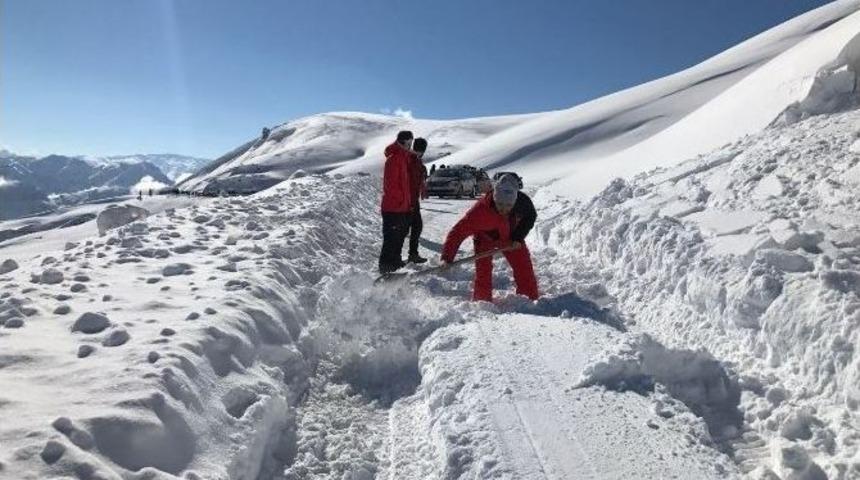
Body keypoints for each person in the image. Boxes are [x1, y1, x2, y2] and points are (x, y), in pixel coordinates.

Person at [440, 173, 539, 301]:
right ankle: (482, 301)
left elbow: (530, 216)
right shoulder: (479, 211)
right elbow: (457, 233)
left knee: (524, 267)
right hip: (485, 238)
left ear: (515, 201)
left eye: (508, 206)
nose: (504, 209)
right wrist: (447, 257)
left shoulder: (522, 202)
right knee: (483, 271)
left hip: (510, 237)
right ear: (494, 198)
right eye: (500, 204)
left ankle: (529, 299)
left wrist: (518, 237)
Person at [379, 130, 415, 273]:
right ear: (403, 142)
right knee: (391, 240)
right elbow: (391, 185)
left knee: (399, 238)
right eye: (409, 142)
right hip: (393, 208)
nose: (410, 145)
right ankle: (386, 268)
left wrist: (407, 204)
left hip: (401, 208)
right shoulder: (394, 159)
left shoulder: (404, 158)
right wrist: (400, 202)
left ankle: (395, 264)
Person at [407, 138, 429, 264]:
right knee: (410, 227)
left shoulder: (416, 160)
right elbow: (408, 182)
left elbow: (418, 180)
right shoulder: (411, 160)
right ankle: (409, 255)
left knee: (416, 226)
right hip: (408, 200)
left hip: (412, 199)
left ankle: (413, 254)